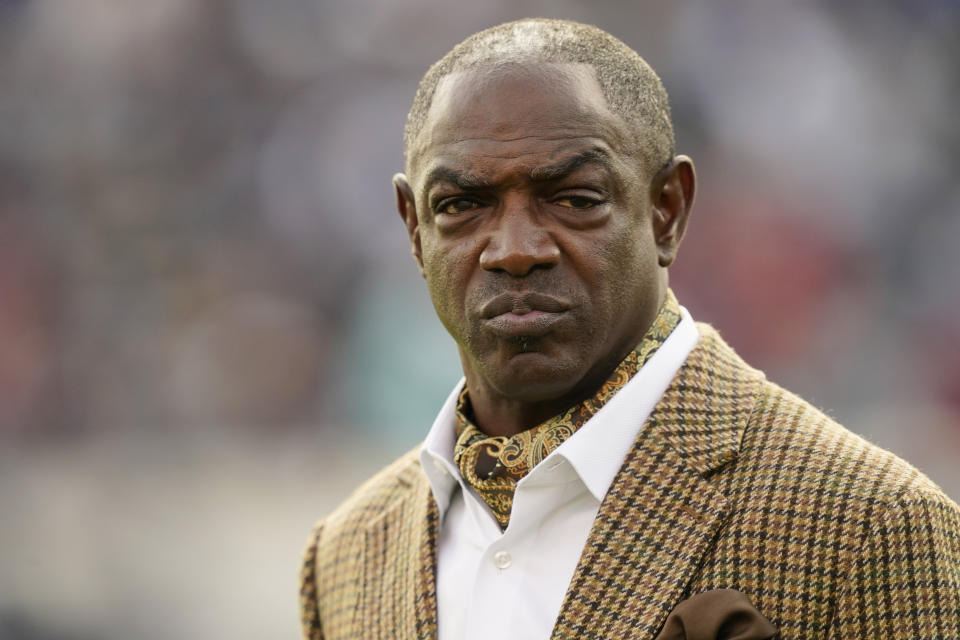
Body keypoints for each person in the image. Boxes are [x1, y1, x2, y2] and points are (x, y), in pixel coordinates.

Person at [299, 18, 960, 640]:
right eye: (462, 205)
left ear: (667, 210)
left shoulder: (871, 526)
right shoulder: (349, 557)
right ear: (414, 229)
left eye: (575, 200)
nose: (514, 247)